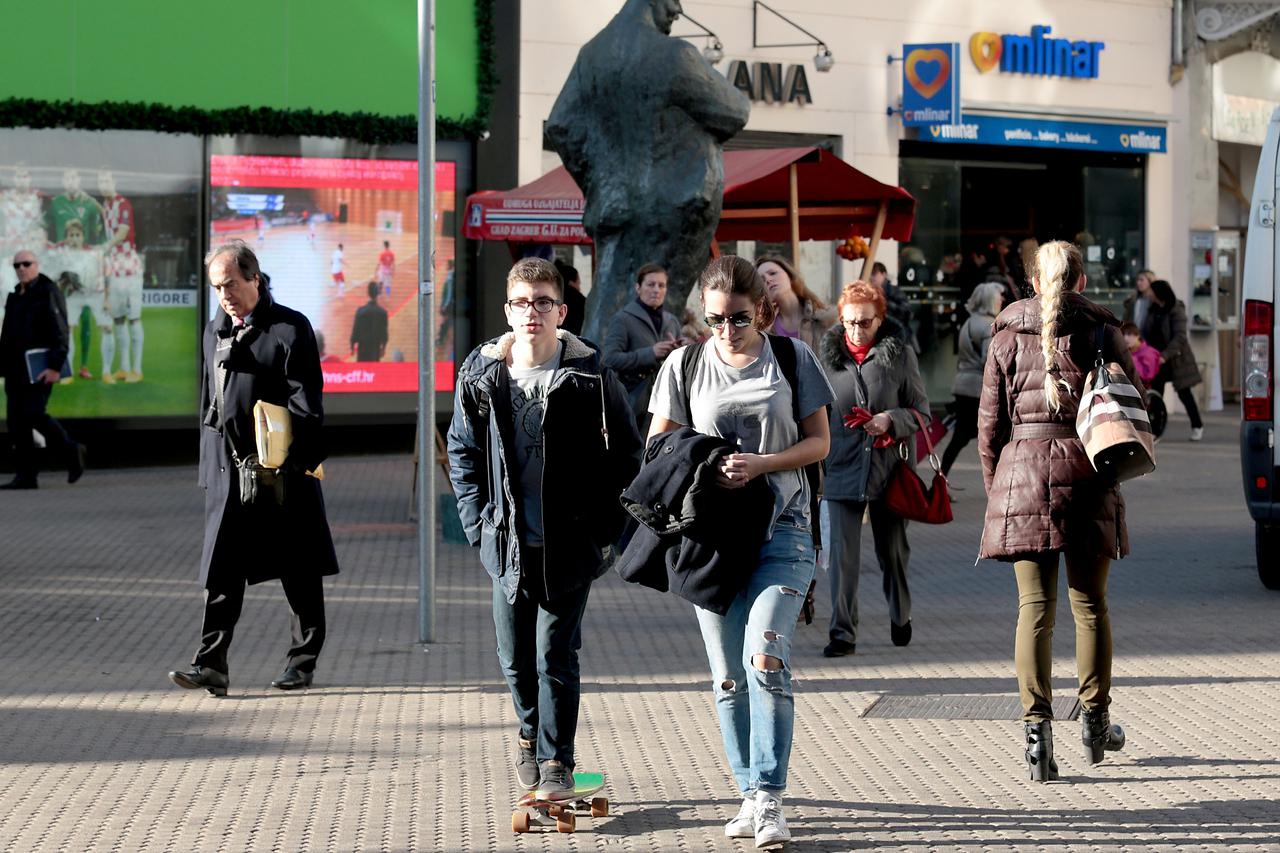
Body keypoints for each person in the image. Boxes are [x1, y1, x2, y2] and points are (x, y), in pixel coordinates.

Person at [647, 255, 833, 847]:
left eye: (738, 319)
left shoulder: (792, 359)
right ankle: (749, 792)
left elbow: (819, 442)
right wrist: (708, 462)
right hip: (714, 538)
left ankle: (772, 798)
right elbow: (657, 447)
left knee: (765, 658)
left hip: (785, 527)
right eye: (715, 319)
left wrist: (763, 464)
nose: (726, 330)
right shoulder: (684, 364)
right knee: (729, 678)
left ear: (764, 312)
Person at [448, 257, 641, 797]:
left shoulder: (590, 375)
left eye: (542, 302)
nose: (531, 312)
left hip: (571, 544)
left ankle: (558, 760)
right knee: (515, 660)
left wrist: (605, 530)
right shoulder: (482, 375)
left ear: (561, 311)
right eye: (521, 302)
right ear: (507, 311)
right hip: (507, 541)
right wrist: (477, 524)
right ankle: (530, 736)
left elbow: (627, 455)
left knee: (555, 654)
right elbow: (462, 452)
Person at [977, 240, 1135, 782]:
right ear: (1082, 282)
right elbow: (1130, 408)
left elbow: (989, 428)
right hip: (1087, 475)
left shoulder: (1004, 336)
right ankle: (1095, 723)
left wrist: (998, 492)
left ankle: (1037, 737)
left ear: (1033, 283)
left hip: (1020, 476)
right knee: (1090, 606)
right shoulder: (1101, 332)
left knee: (1034, 609)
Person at [168, 240, 338, 696]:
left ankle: (301, 662)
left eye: (230, 284)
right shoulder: (215, 330)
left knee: (299, 570)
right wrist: (209, 471)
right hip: (228, 473)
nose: (224, 295)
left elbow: (307, 402)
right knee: (222, 573)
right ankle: (211, 664)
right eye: (216, 287)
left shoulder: (289, 328)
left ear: (254, 280)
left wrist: (293, 463)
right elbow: (208, 404)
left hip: (280, 472)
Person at [544, 0, 750, 341]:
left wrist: (602, 181)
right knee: (656, 310)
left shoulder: (592, 55)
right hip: (673, 207)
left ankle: (599, 371)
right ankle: (635, 374)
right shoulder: (674, 55)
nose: (678, 10)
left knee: (608, 298)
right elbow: (734, 111)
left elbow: (561, 125)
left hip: (615, 205)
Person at [818, 279, 928, 658]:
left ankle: (900, 615)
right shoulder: (827, 360)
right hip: (842, 466)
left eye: (865, 322)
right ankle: (842, 633)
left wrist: (890, 419)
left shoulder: (900, 355)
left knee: (893, 553)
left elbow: (921, 412)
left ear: (880, 319)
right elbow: (816, 415)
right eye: (849, 322)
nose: (856, 330)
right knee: (841, 557)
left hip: (890, 469)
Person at [0, 250, 85, 489]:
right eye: (17, 265)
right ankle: (26, 476)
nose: (21, 269)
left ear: (36, 265)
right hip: (15, 369)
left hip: (39, 368)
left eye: (26, 264)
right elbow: (7, 335)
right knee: (17, 422)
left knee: (34, 414)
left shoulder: (48, 291)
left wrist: (55, 367)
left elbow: (60, 332)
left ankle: (72, 450)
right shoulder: (15, 295)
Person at [602, 262, 685, 430]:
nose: (656, 290)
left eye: (661, 285)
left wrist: (682, 350)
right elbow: (609, 359)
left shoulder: (672, 321)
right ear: (638, 288)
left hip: (667, 405)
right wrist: (650, 353)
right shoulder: (623, 319)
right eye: (651, 284)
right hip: (633, 403)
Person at [940, 282, 1005, 478]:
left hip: (963, 385)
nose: (1001, 300)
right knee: (995, 437)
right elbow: (989, 360)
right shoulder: (988, 325)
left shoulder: (969, 322)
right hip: (978, 389)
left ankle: (940, 479)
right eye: (998, 298)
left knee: (959, 439)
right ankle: (998, 481)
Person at [1143, 279, 1204, 441]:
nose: (1148, 293)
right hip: (1156, 359)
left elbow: (1180, 337)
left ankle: (1197, 426)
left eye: (1151, 290)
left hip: (1176, 359)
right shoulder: (1152, 309)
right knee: (1156, 394)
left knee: (1184, 393)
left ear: (1158, 293)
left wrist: (1165, 355)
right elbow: (1146, 332)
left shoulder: (1176, 309)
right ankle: (1155, 429)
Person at [100, 170, 145, 383]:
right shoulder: (106, 205)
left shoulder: (122, 204)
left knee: (133, 318)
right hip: (114, 267)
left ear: (114, 181)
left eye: (106, 180)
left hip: (128, 266)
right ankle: (124, 367)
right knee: (118, 318)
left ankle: (137, 369)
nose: (103, 184)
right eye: (100, 181)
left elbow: (123, 232)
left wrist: (105, 246)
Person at [757, 254, 835, 351]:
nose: (768, 280)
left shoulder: (825, 318)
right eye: (762, 280)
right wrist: (763, 332)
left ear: (789, 276)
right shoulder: (764, 328)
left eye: (773, 273)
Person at [869, 261, 917, 350]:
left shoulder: (894, 291)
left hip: (897, 337)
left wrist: (886, 304)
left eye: (874, 273)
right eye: (870, 274)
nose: (871, 277)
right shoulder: (870, 293)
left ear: (883, 274)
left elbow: (907, 313)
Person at [350, 280, 389, 362]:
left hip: (362, 351)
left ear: (368, 293)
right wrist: (383, 348)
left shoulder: (360, 311)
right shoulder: (383, 313)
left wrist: (352, 347)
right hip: (375, 351)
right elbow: (384, 334)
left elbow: (355, 331)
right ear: (377, 294)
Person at [1121, 322, 1160, 386]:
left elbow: (1148, 376)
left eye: (1129, 334)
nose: (1125, 338)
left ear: (1137, 335)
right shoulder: (1125, 351)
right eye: (1123, 334)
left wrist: (1132, 359)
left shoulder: (1150, 352)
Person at [554, 258, 586, 336]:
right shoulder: (580, 301)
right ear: (571, 283)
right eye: (578, 284)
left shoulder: (552, 297)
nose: (580, 288)